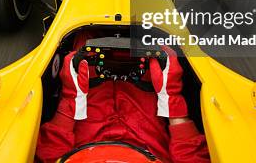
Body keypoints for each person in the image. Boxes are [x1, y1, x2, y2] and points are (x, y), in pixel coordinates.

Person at [36, 42, 210, 163]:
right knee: (160, 51)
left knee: (80, 51)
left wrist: (70, 100)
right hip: (148, 125)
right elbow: (194, 159)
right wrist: (173, 101)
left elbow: (47, 156)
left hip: (83, 115)